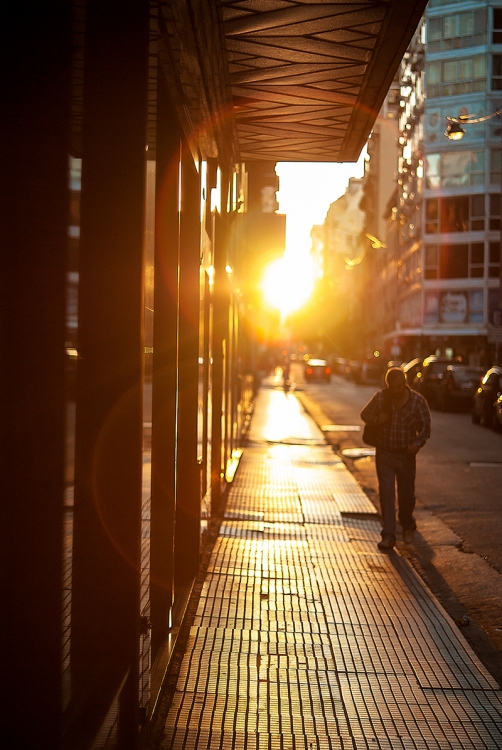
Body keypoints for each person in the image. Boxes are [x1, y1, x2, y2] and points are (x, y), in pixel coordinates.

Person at [360, 367, 431, 552]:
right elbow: (365, 414)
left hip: (407, 455)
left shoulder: (417, 401)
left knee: (407, 496)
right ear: (388, 386)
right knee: (387, 494)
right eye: (393, 387)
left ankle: (407, 522)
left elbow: (425, 427)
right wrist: (378, 419)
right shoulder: (381, 398)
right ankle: (389, 535)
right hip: (385, 453)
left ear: (405, 383)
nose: (396, 391)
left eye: (400, 386)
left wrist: (417, 443)